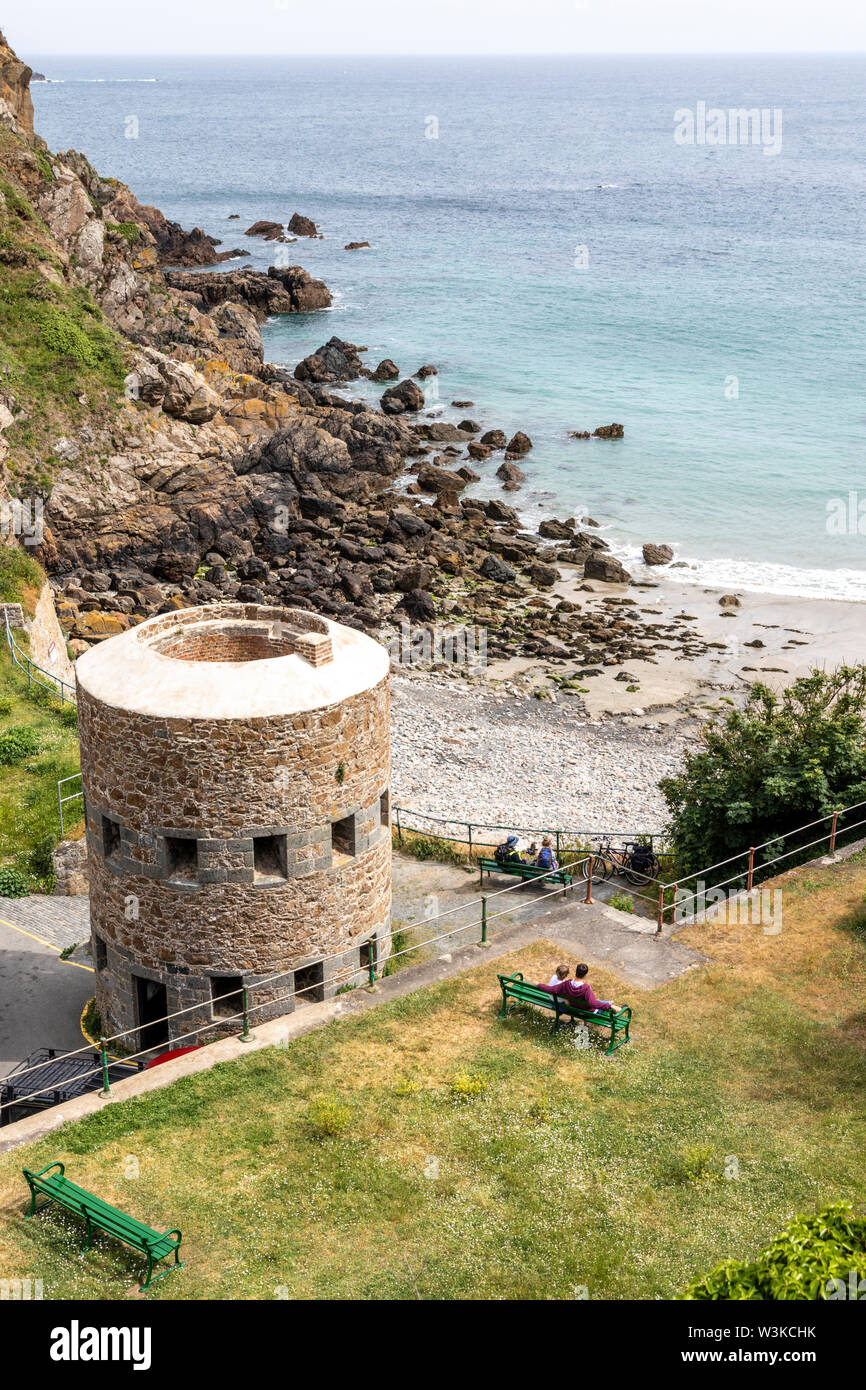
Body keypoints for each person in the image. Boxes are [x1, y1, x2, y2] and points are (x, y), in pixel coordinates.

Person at [536, 963, 617, 1015]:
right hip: (587, 1012)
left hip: (575, 1008)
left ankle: (609, 1003)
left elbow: (550, 989)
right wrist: (609, 1006)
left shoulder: (566, 984)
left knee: (597, 1001)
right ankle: (611, 1004)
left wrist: (539, 984)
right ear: (585, 975)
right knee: (598, 1003)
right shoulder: (586, 988)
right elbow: (593, 1004)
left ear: (575, 972)